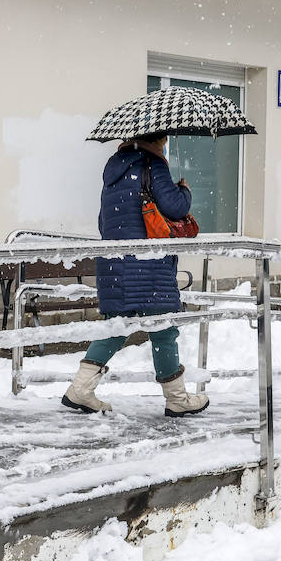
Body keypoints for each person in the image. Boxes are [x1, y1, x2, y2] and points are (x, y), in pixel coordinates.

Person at [61, 133, 210, 417]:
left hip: (115, 264)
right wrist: (184, 191)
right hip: (147, 264)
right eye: (164, 139)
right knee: (164, 329)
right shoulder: (153, 164)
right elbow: (176, 207)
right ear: (156, 140)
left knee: (117, 328)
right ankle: (176, 398)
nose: (166, 144)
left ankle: (80, 389)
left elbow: (104, 221)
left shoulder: (114, 170)